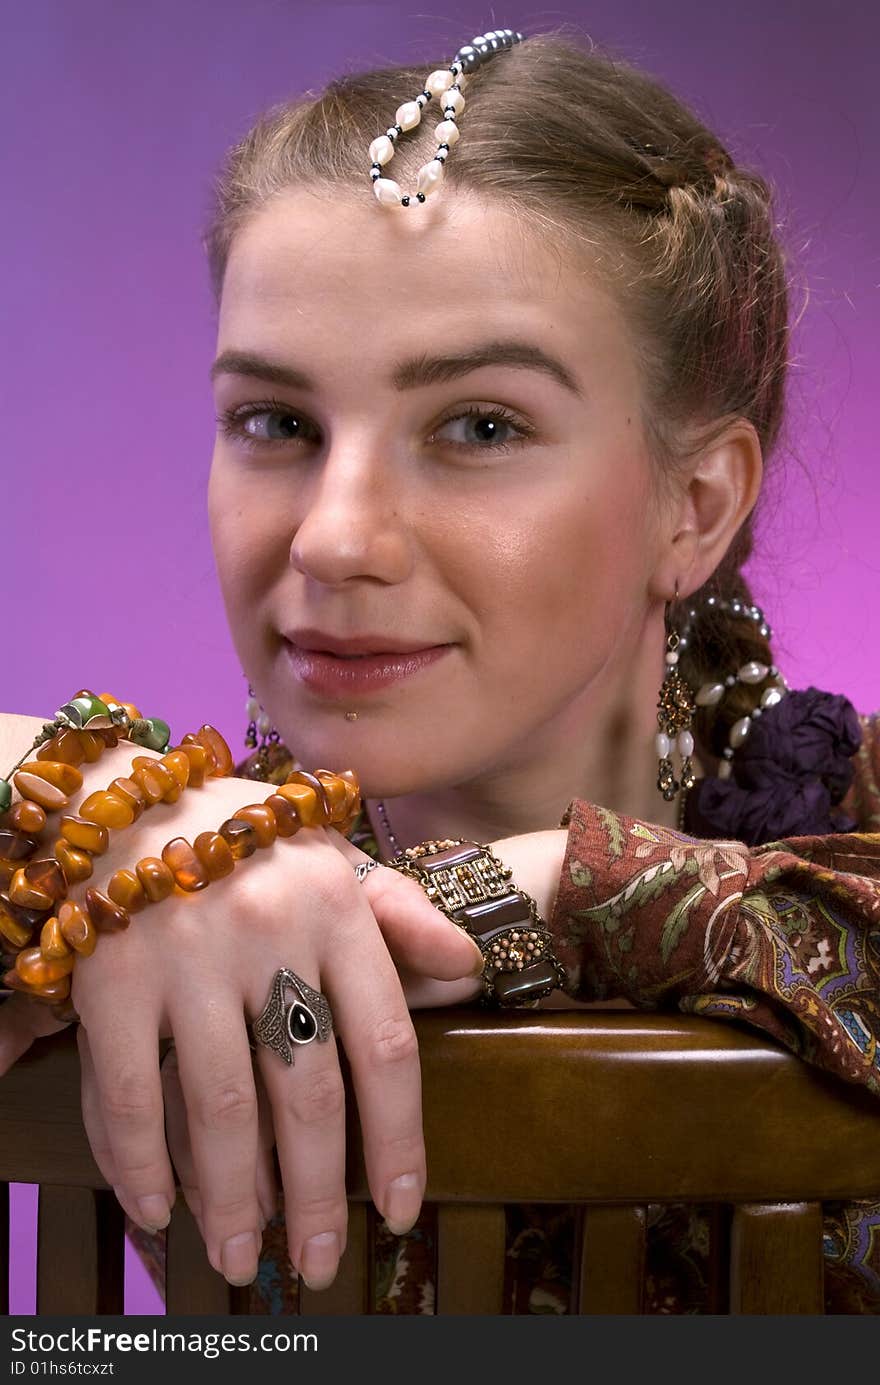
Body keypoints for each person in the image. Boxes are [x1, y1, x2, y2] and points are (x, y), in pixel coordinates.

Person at [1, 27, 878, 1315]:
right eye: (277, 423)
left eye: (480, 425)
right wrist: (61, 787)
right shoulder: (146, 884)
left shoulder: (845, 829)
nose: (334, 537)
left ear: (694, 505)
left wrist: (539, 890)